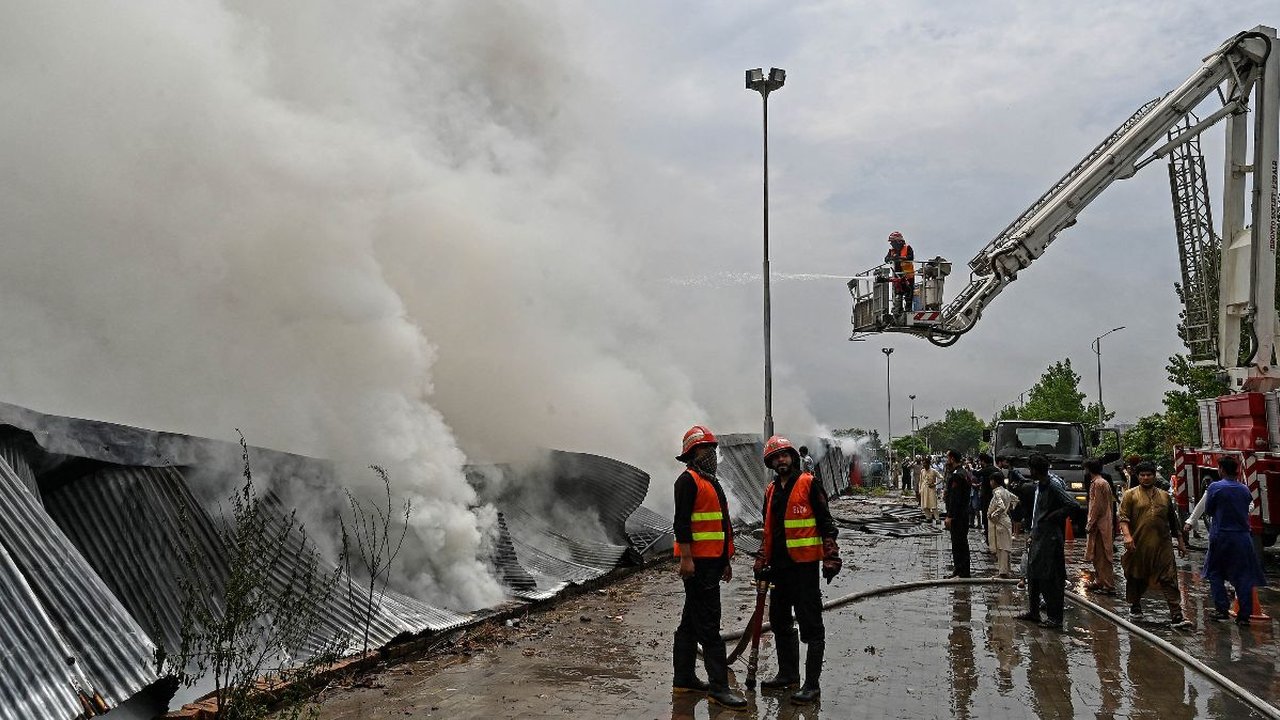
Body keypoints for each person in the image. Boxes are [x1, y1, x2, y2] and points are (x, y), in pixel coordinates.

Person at [754, 435, 841, 705]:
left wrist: (831, 556)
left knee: (811, 626)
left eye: (785, 455)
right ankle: (788, 675)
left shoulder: (809, 483)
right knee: (779, 621)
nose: (781, 460)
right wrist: (761, 559)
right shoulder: (771, 490)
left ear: (793, 457)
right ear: (770, 462)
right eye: (775, 457)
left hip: (804, 569)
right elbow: (768, 529)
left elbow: (826, 523)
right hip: (779, 569)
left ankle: (811, 685)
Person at [671, 425, 748, 709]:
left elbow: (721, 525)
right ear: (693, 453)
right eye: (706, 449)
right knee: (709, 626)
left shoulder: (712, 482)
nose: (712, 454)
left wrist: (725, 561)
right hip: (698, 566)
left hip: (712, 564)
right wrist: (686, 558)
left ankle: (684, 679)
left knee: (690, 624)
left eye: (713, 449)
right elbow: (681, 523)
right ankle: (719, 689)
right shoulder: (687, 481)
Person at [1118, 461, 1191, 628]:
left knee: (1169, 577)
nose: (1146, 478)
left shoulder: (1164, 496)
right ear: (1138, 477)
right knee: (1136, 576)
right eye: (1142, 475)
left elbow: (1173, 522)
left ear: (1154, 476)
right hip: (1138, 544)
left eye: (1149, 475)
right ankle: (1135, 604)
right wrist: (1127, 537)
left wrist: (1181, 542)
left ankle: (1176, 614)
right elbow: (1123, 518)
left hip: (1163, 544)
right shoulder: (1130, 495)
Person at [1198, 457, 1267, 624]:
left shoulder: (1215, 487)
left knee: (1215, 572)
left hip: (1221, 536)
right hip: (1243, 537)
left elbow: (1209, 510)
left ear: (1221, 469)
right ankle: (1244, 616)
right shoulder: (1244, 489)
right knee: (1243, 576)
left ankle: (1222, 609)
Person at [1017, 454, 1080, 630]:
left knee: (1050, 578)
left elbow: (1073, 505)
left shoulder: (1053, 485)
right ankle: (1034, 611)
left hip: (1050, 539)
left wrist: (1054, 516)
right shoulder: (1041, 485)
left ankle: (1055, 618)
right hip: (1039, 535)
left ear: (1035, 470)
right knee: (1033, 575)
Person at [1083, 458, 1116, 595]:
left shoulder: (1098, 484)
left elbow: (1097, 506)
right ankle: (1100, 580)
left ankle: (1108, 585)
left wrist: (1090, 523)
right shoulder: (1102, 482)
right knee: (1097, 555)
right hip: (1103, 523)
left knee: (1102, 556)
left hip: (1100, 525)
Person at [944, 449, 972, 578]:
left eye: (947, 458)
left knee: (959, 543)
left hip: (958, 516)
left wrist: (950, 516)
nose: (946, 461)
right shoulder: (963, 473)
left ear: (952, 459)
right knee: (959, 542)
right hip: (962, 514)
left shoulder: (957, 475)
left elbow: (955, 498)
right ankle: (959, 569)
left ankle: (962, 571)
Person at [987, 469, 1019, 578]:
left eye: (991, 480)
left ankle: (1003, 572)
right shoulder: (1005, 491)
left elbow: (1001, 506)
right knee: (1005, 547)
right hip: (1006, 521)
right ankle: (1005, 570)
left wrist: (993, 515)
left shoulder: (997, 493)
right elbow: (1016, 499)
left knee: (1002, 548)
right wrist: (1010, 508)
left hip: (1000, 522)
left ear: (994, 481)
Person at [884, 230, 915, 313]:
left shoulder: (908, 248)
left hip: (908, 275)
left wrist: (900, 258)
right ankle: (898, 309)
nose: (891, 244)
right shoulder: (892, 251)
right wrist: (891, 258)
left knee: (909, 292)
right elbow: (886, 259)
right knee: (898, 292)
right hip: (897, 276)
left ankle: (908, 309)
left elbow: (910, 257)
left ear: (898, 241)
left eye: (892, 242)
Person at [976, 453, 996, 538]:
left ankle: (988, 534)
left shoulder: (986, 470)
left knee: (986, 515)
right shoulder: (996, 469)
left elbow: (976, 474)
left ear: (983, 461)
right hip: (993, 496)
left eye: (980, 461)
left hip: (987, 497)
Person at [918, 456, 940, 523]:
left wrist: (934, 484)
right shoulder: (922, 471)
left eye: (925, 463)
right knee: (925, 504)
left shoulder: (933, 471)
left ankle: (937, 519)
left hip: (931, 489)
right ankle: (928, 517)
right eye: (923, 463)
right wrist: (920, 490)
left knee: (933, 504)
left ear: (928, 464)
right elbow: (921, 481)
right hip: (924, 489)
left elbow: (941, 478)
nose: (924, 465)